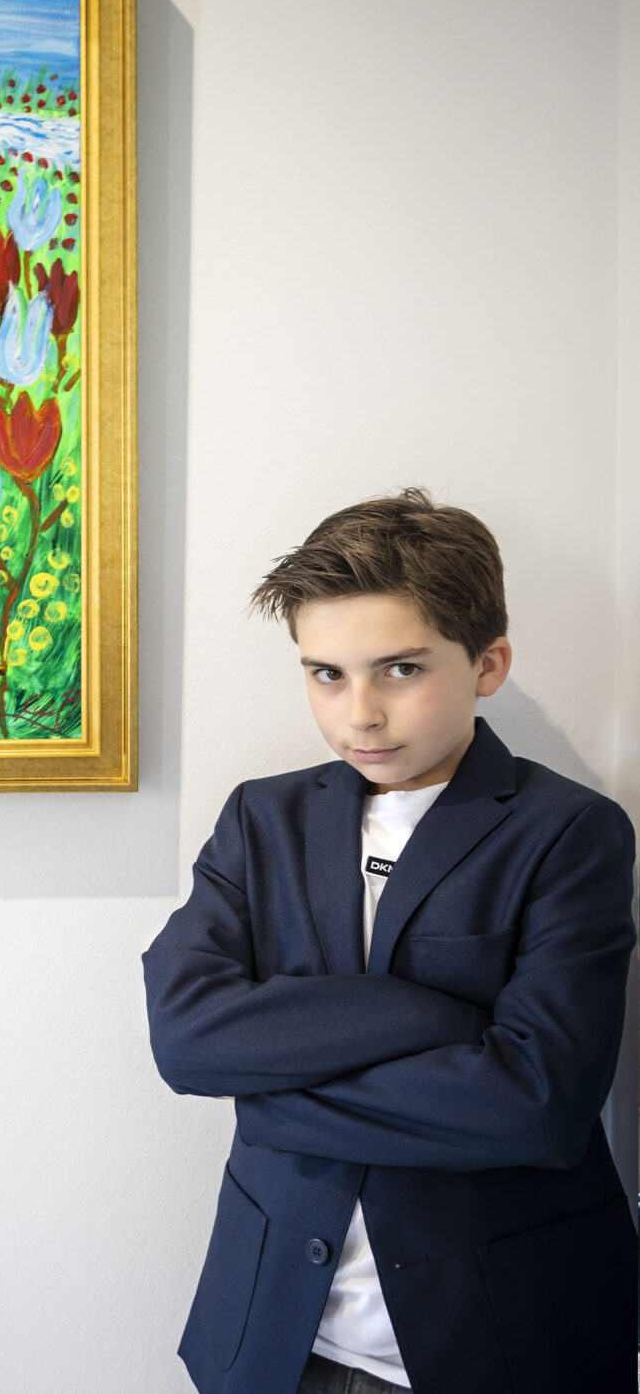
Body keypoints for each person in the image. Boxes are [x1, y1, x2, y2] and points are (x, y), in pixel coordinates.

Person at [143, 488, 636, 1394]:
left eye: (400, 670)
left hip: (496, 1333)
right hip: (276, 1332)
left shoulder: (569, 832)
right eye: (326, 674)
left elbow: (536, 1106)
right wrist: (434, 1017)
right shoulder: (262, 819)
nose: (359, 714)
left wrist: (270, 1091)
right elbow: (185, 1039)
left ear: (488, 664)